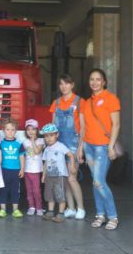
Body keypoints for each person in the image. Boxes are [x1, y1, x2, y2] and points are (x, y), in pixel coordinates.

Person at [78, 68, 121, 230]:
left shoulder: (111, 99)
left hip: (103, 146)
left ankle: (113, 216)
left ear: (104, 82)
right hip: (88, 146)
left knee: (99, 181)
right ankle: (100, 215)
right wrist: (80, 148)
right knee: (96, 183)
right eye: (91, 79)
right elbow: (83, 128)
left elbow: (116, 124)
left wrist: (111, 146)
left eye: (98, 79)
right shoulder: (86, 103)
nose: (94, 82)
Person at [50, 73, 86, 220]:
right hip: (59, 145)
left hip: (73, 144)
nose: (64, 86)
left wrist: (80, 148)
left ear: (72, 85)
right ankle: (70, 208)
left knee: (72, 177)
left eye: (67, 83)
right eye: (61, 84)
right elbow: (52, 127)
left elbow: (83, 127)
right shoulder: (56, 103)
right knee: (64, 179)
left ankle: (81, 208)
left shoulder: (79, 101)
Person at [40, 123, 76, 223]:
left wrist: (72, 166)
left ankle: (61, 214)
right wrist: (43, 175)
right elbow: (45, 163)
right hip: (49, 176)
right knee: (49, 194)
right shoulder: (46, 149)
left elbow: (71, 155)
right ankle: (50, 212)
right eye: (46, 136)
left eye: (51, 135)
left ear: (57, 135)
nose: (48, 138)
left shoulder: (60, 146)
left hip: (60, 175)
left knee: (60, 195)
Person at [0, 118, 25, 219]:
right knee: (3, 190)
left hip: (15, 171)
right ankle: (3, 209)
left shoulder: (19, 143)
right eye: (8, 129)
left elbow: (21, 156)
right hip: (3, 170)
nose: (10, 132)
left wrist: (22, 169)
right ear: (3, 130)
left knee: (15, 190)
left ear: (16, 131)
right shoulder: (0, 144)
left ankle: (15, 209)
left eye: (12, 129)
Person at [22, 119, 45, 216]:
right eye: (28, 129)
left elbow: (37, 152)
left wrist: (32, 141)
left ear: (37, 130)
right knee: (29, 190)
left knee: (36, 190)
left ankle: (39, 207)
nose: (30, 131)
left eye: (33, 129)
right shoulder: (24, 142)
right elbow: (23, 155)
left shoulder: (41, 140)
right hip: (27, 169)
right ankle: (31, 206)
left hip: (36, 170)